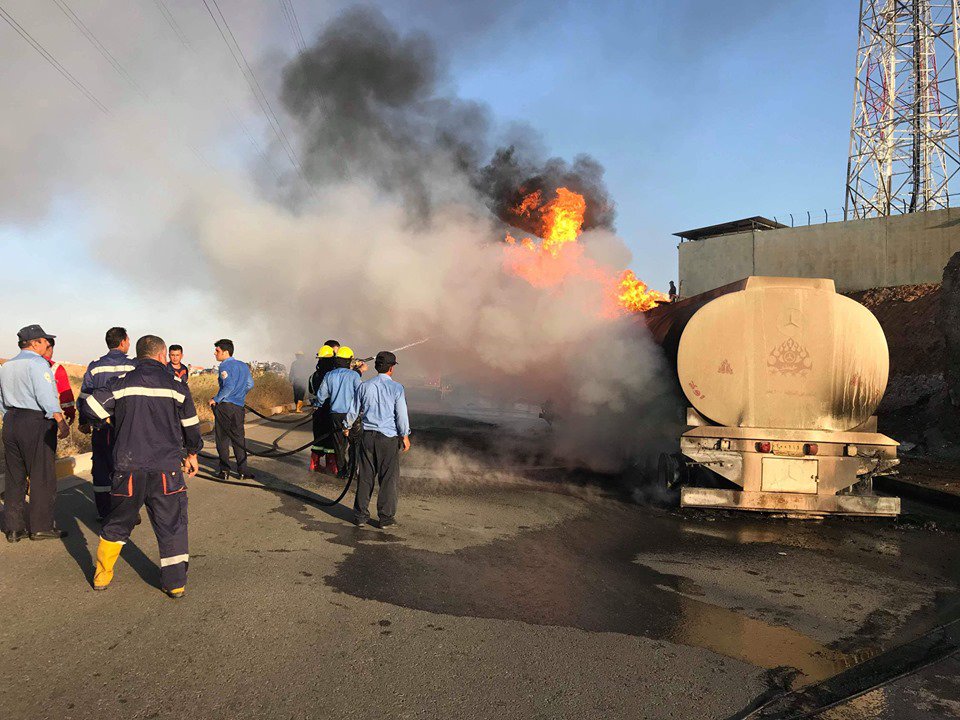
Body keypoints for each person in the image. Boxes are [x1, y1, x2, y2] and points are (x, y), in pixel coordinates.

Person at [83, 335, 202, 598]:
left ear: (138, 357)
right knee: (171, 524)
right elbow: (191, 427)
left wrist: (111, 420)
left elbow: (90, 407)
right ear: (162, 356)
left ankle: (102, 575)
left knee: (117, 522)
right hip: (166, 469)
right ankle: (175, 584)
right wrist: (192, 453)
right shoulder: (177, 386)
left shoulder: (121, 384)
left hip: (128, 468)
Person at [0, 325, 70, 542]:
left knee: (14, 476)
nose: (47, 345)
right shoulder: (38, 363)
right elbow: (46, 395)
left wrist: (8, 417)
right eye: (45, 341)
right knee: (42, 475)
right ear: (35, 343)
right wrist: (60, 420)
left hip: (10, 421)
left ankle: (13, 528)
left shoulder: (7, 366)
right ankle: (41, 526)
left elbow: (1, 399)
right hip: (35, 421)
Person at [344, 351, 411, 529]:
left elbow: (353, 409)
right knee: (388, 479)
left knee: (365, 477)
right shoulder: (397, 388)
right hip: (388, 439)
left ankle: (360, 516)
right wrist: (404, 435)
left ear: (376, 367)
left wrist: (347, 426)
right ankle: (386, 518)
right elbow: (401, 415)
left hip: (367, 437)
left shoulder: (364, 386)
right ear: (391, 368)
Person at [79, 327, 136, 521]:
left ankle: (105, 512)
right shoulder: (133, 366)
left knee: (102, 468)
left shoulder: (95, 367)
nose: (129, 343)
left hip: (101, 425)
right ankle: (128, 511)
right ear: (122, 342)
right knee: (127, 468)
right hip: (127, 428)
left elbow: (85, 396)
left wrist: (84, 421)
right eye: (128, 340)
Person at [314, 346, 362, 476]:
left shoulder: (329, 375)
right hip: (351, 414)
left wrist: (317, 404)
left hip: (335, 414)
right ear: (348, 360)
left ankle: (341, 470)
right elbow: (360, 394)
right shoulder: (354, 375)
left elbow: (321, 395)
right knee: (355, 443)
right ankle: (352, 470)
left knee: (338, 444)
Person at [211, 338, 254, 480]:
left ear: (225, 352)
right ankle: (243, 471)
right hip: (238, 408)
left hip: (225, 407)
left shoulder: (225, 366)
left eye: (217, 351)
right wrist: (240, 395)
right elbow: (250, 384)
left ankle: (225, 471)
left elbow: (228, 386)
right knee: (238, 439)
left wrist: (215, 399)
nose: (215, 353)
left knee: (222, 440)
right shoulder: (243, 366)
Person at [308, 342, 339, 472]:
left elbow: (311, 392)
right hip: (330, 410)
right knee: (331, 439)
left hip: (317, 411)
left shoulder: (313, 376)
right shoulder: (333, 376)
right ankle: (331, 465)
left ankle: (314, 463)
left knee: (318, 437)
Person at [42, 338, 76, 426]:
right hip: (47, 417)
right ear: (50, 348)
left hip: (17, 416)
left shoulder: (20, 365)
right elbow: (66, 395)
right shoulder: (56, 368)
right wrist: (70, 413)